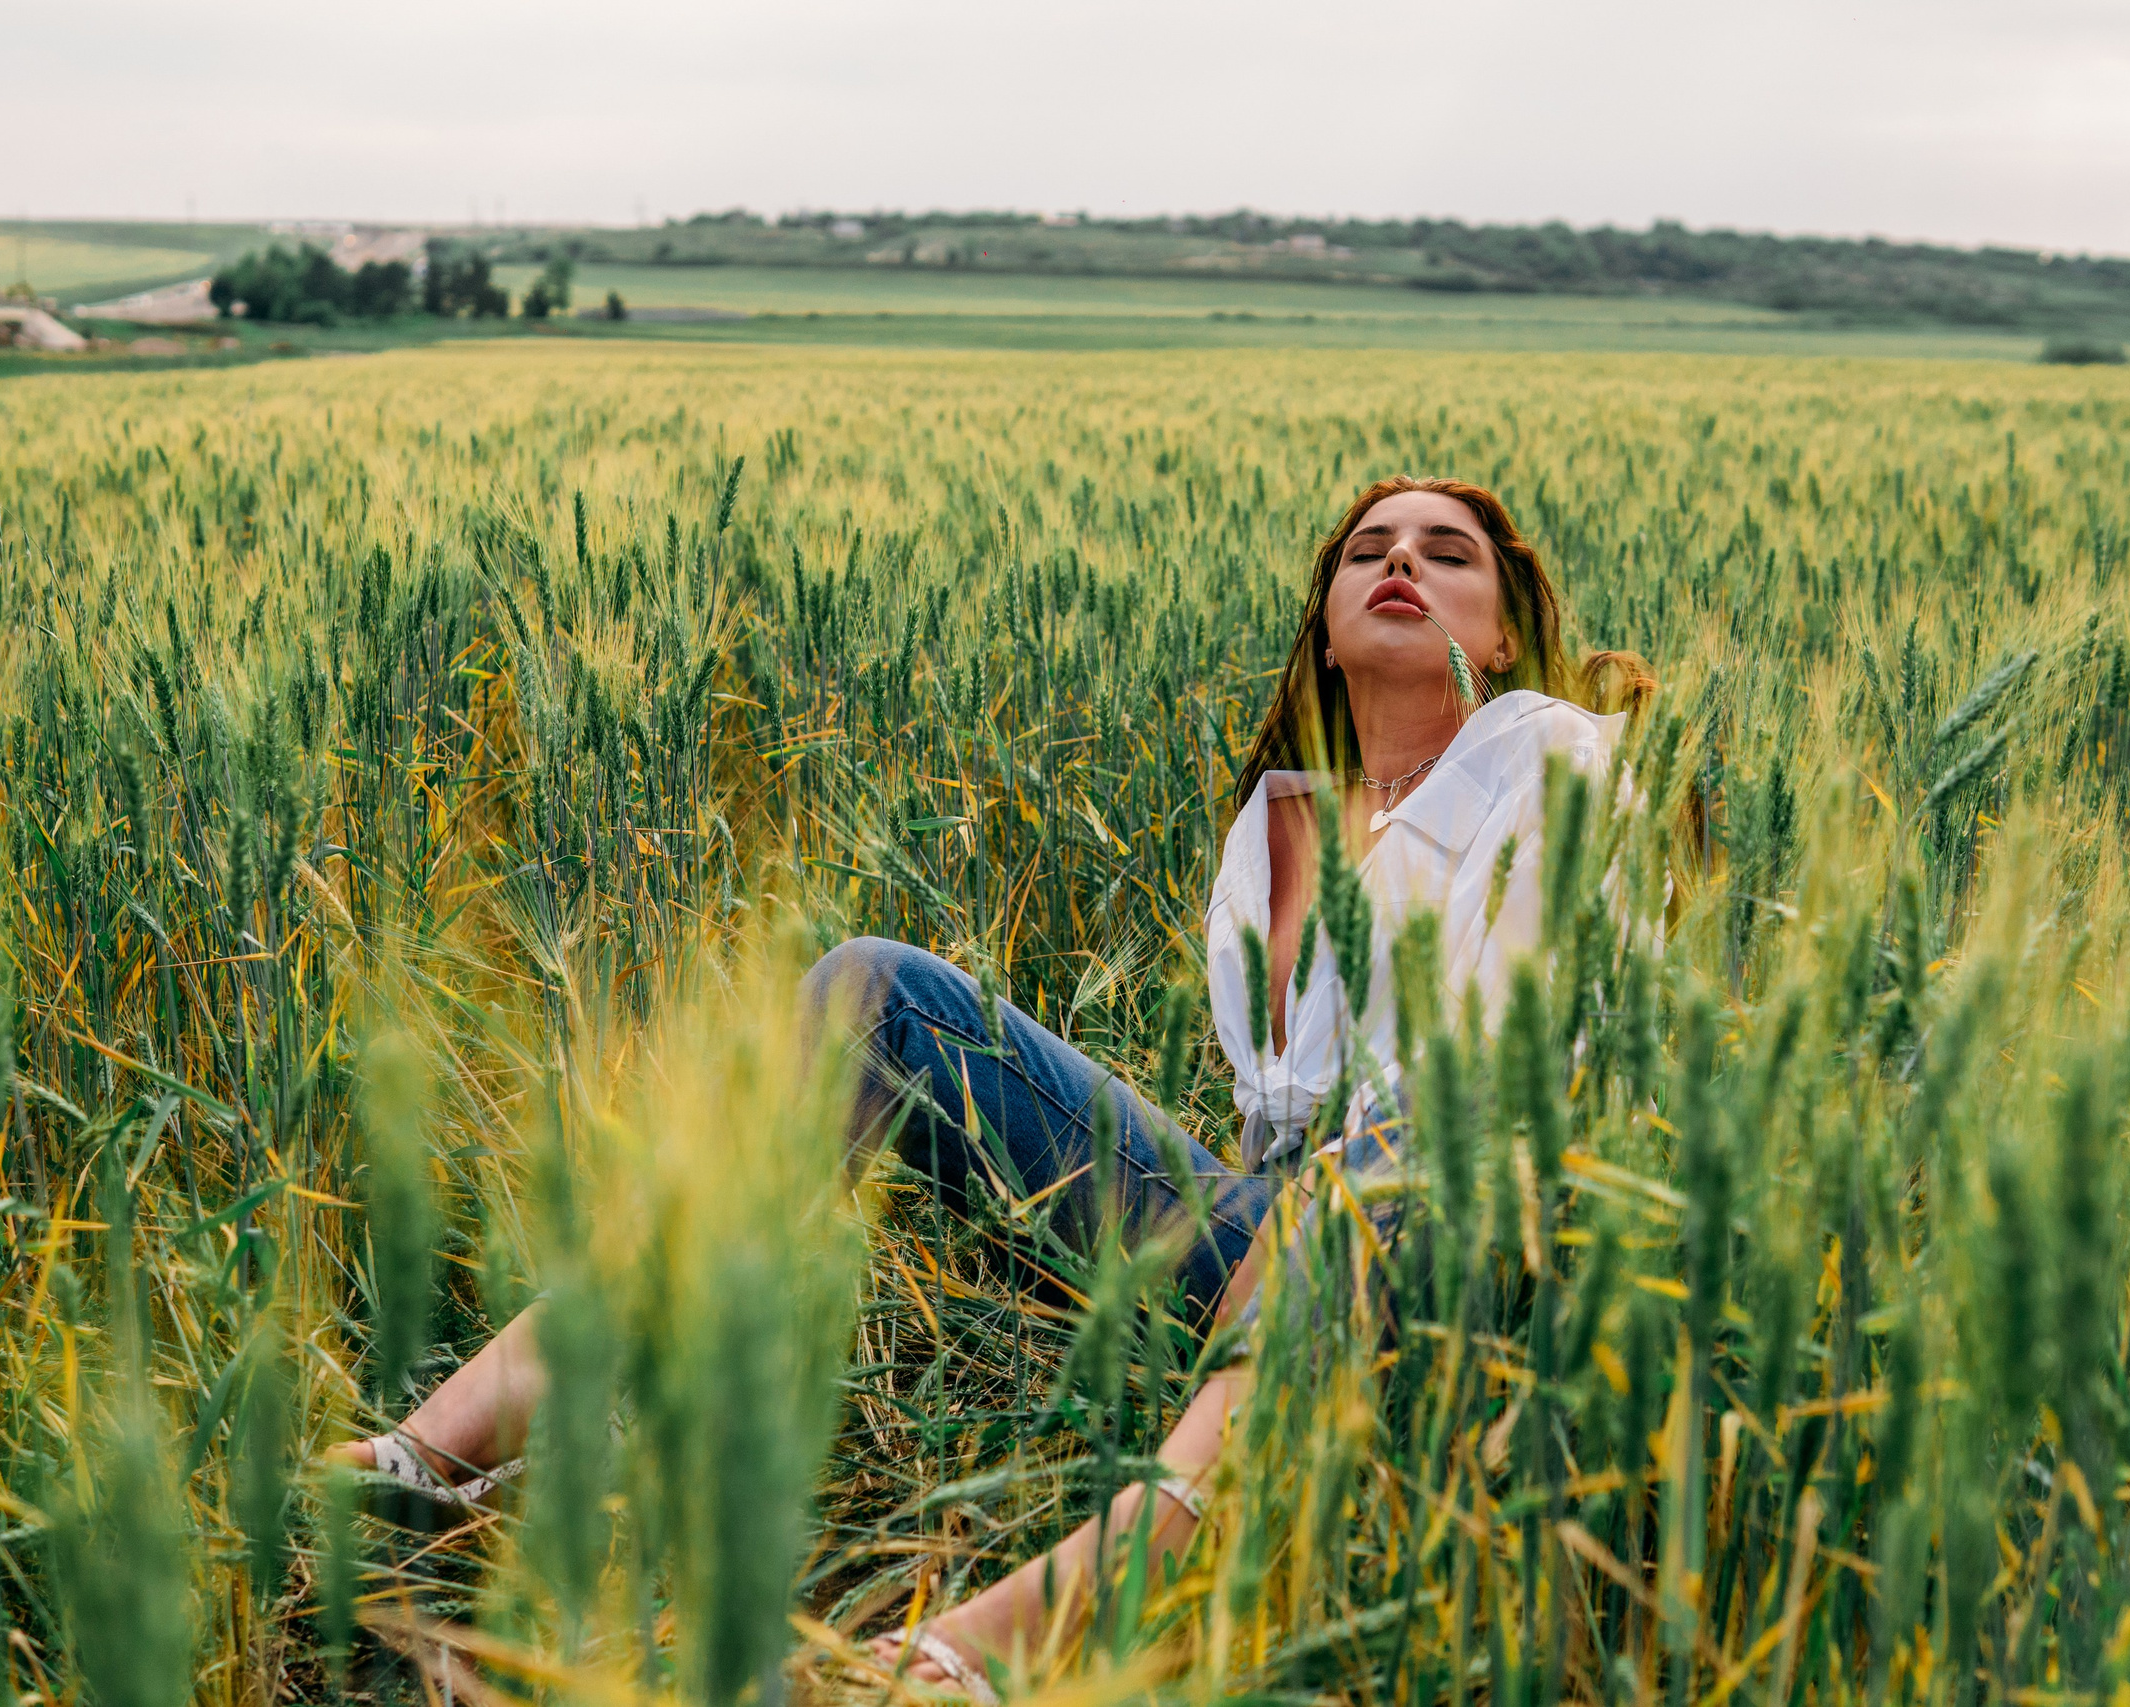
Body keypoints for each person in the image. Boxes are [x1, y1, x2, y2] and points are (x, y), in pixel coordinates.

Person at [334, 475, 1655, 1697]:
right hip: (1275, 1256)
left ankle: (1040, 1621)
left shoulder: (1555, 756)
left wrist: (1319, 1217)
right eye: (1368, 549)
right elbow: (1273, 1120)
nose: (1401, 560)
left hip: (1488, 1252)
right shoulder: (1280, 822)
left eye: (1448, 554)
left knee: (1403, 1145)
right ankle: (468, 1432)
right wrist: (1256, 1249)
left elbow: (1515, 1073)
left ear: (1504, 634)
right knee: (875, 993)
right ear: (1324, 624)